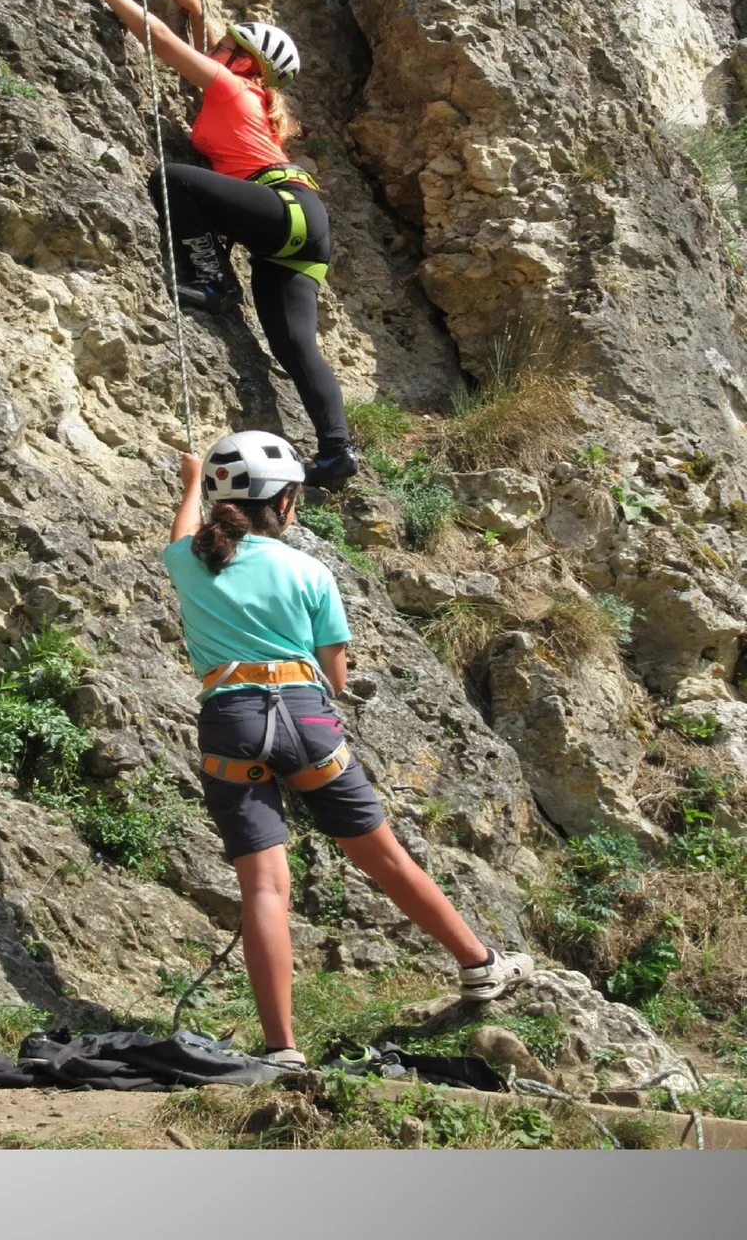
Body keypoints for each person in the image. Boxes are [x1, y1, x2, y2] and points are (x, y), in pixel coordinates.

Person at [162, 431, 533, 1067]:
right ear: (283, 503)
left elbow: (182, 534)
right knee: (384, 857)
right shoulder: (310, 571)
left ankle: (282, 1050)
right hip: (305, 717)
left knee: (264, 888)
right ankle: (479, 965)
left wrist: (192, 482)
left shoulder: (189, 561)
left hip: (231, 720)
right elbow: (334, 678)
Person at [54, 0, 358, 489]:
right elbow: (216, 54)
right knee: (294, 345)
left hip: (282, 208)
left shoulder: (235, 88)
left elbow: (159, 40)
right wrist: (199, 14)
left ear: (243, 64)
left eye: (225, 48)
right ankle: (337, 453)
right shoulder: (252, 96)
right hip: (303, 228)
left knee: (175, 179)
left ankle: (213, 281)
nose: (213, 49)